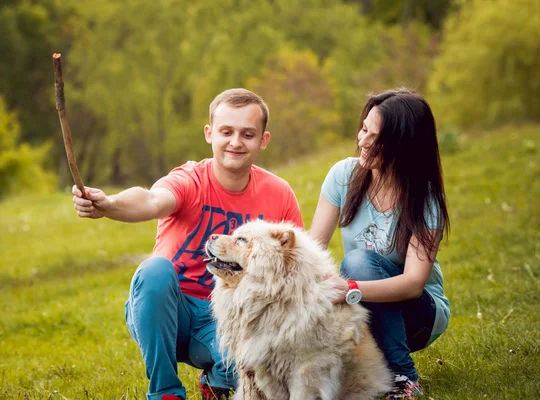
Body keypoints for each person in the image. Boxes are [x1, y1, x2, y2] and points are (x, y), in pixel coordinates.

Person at [72, 88, 303, 400]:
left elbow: (295, 268)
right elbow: (151, 199)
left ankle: (217, 381)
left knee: (252, 370)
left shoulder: (279, 194)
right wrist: (109, 205)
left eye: (247, 134)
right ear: (209, 134)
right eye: (226, 132)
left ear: (263, 140)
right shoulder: (190, 179)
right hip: (168, 311)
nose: (235, 142)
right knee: (155, 270)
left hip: (227, 320)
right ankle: (166, 391)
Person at [309, 88, 450, 400]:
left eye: (378, 138)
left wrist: (350, 290)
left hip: (419, 315)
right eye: (364, 129)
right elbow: (312, 252)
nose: (363, 141)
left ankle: (403, 376)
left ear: (405, 146)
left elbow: (414, 283)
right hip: (367, 306)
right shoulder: (343, 176)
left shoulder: (425, 199)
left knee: (358, 262)